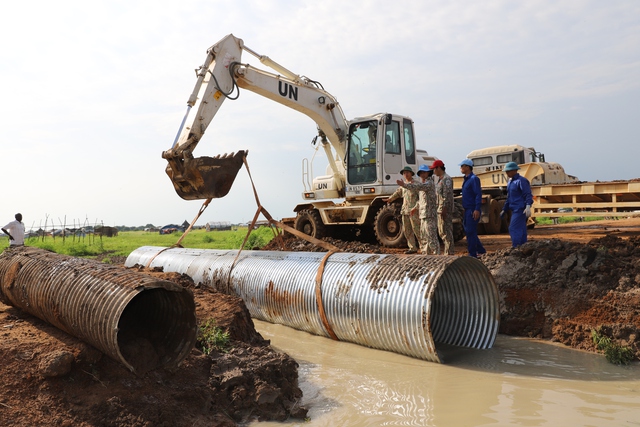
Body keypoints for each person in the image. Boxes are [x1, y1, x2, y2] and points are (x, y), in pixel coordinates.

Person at [397, 164, 439, 254]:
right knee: (424, 236)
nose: (422, 174)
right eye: (421, 173)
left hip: (429, 215)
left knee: (431, 237)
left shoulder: (428, 183)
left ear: (429, 173)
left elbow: (417, 187)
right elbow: (421, 200)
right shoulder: (423, 184)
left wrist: (404, 185)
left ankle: (436, 256)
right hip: (423, 214)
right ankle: (426, 254)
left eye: (424, 172)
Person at [384, 166, 420, 254]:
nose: (406, 174)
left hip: (414, 210)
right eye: (404, 173)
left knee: (417, 230)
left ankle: (423, 247)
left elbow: (421, 198)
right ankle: (412, 248)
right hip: (405, 210)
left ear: (411, 173)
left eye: (407, 172)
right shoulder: (403, 185)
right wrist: (390, 199)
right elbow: (398, 193)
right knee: (407, 230)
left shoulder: (416, 184)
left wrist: (417, 207)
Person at [501, 161, 533, 247]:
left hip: (520, 209)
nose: (507, 173)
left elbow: (527, 194)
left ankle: (516, 246)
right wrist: (504, 209)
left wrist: (528, 206)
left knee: (513, 228)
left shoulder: (521, 181)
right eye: (506, 171)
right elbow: (509, 197)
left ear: (515, 170)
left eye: (508, 171)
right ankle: (523, 246)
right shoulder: (510, 182)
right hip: (514, 208)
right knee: (521, 228)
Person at [459, 159, 486, 258]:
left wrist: (477, 209)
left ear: (467, 167)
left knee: (470, 231)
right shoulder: (466, 179)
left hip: (472, 209)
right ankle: (481, 250)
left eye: (462, 166)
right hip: (467, 209)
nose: (461, 168)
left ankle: (473, 254)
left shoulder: (474, 179)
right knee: (470, 231)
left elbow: (478, 194)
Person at [430, 159, 455, 255]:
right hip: (440, 209)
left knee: (446, 232)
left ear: (439, 168)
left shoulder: (446, 179)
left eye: (434, 169)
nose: (433, 171)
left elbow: (446, 196)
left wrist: (444, 208)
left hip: (445, 210)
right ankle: (447, 252)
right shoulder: (440, 179)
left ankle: (449, 253)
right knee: (442, 231)